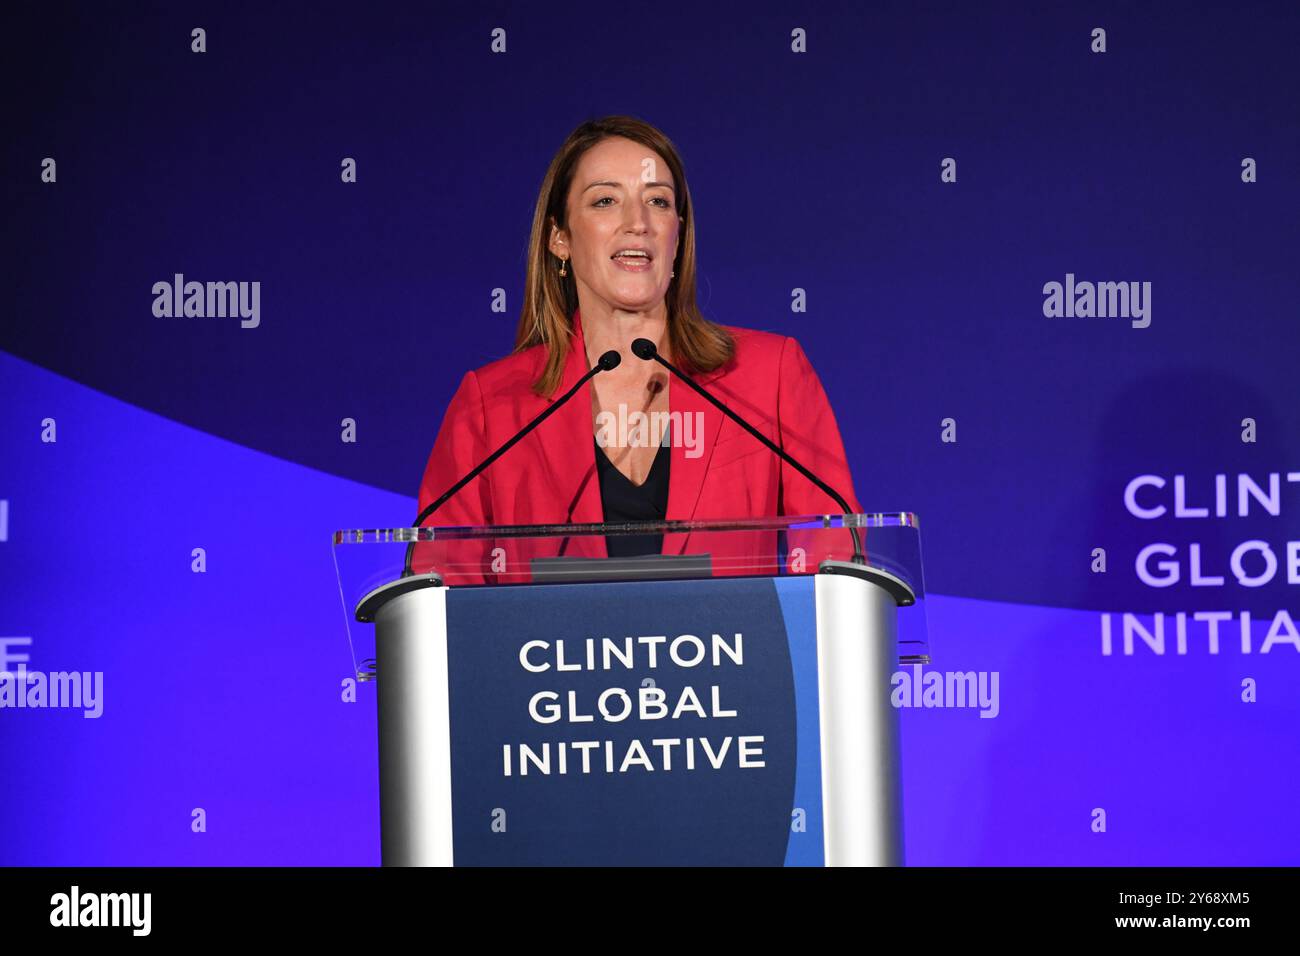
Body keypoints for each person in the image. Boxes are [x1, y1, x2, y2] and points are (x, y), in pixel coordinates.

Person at [412, 116, 863, 583]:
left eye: (658, 202)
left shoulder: (769, 376)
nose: (638, 223)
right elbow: (440, 585)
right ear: (559, 239)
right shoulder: (491, 406)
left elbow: (835, 562)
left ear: (678, 235)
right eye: (606, 200)